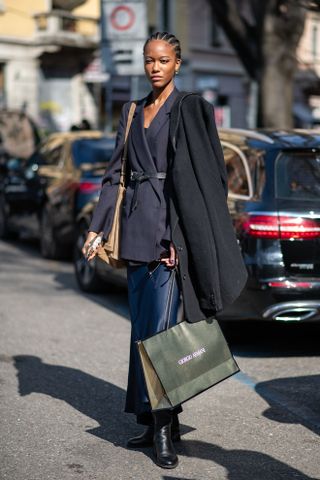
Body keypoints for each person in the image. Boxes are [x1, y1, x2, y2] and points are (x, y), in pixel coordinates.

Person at [82, 31, 247, 469]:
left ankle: (161, 430)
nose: (155, 67)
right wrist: (98, 229)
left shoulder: (189, 108)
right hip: (135, 232)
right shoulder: (132, 110)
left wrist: (179, 236)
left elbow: (201, 180)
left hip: (167, 238)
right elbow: (114, 173)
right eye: (149, 60)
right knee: (142, 334)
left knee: (159, 335)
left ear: (177, 64)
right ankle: (159, 420)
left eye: (163, 60)